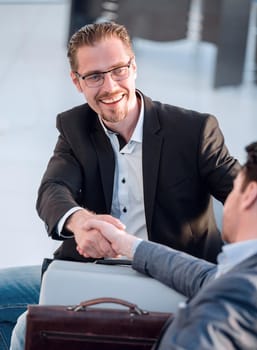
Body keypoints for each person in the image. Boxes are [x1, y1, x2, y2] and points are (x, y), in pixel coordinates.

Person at [1, 21, 240, 349]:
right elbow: (53, 189)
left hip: (169, 279)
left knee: (26, 326)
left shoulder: (194, 130)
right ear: (77, 82)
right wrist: (80, 221)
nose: (110, 86)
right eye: (94, 76)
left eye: (118, 70)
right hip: (92, 273)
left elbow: (244, 194)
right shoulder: (75, 125)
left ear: (134, 67)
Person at [72, 141, 257, 349]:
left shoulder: (222, 309)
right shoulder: (243, 278)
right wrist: (127, 244)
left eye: (234, 189)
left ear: (250, 193)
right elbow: (207, 276)